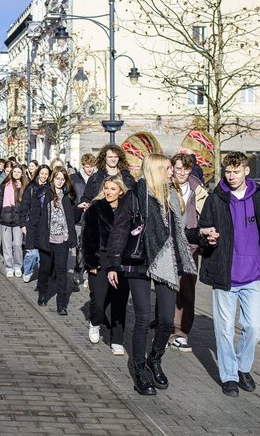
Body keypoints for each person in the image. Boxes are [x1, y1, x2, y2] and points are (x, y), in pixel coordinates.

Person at [105, 154, 196, 396]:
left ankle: (154, 359)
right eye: (167, 169)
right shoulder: (135, 196)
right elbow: (119, 230)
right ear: (156, 170)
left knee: (166, 320)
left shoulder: (172, 197)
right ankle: (139, 371)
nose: (171, 173)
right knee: (143, 319)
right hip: (139, 262)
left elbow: (180, 233)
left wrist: (202, 235)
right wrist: (113, 265)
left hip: (166, 262)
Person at [196, 151, 260, 397]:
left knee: (254, 327)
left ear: (246, 171)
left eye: (236, 171)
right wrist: (207, 236)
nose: (231, 176)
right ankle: (229, 376)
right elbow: (203, 228)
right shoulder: (216, 198)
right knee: (224, 329)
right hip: (225, 275)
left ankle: (243, 367)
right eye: (228, 172)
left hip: (252, 274)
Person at [83, 175, 130, 355]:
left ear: (120, 191)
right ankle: (95, 322)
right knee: (99, 299)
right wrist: (91, 262)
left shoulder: (128, 209)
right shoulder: (96, 208)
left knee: (119, 300)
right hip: (100, 259)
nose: (108, 192)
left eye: (113, 189)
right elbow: (88, 237)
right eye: (106, 188)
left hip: (121, 260)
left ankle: (117, 339)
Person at [168, 152, 208, 353]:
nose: (181, 172)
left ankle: (180, 332)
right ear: (172, 168)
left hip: (190, 247)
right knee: (167, 289)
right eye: (178, 168)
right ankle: (165, 326)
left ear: (190, 169)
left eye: (185, 168)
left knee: (187, 290)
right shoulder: (165, 187)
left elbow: (206, 214)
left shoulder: (198, 189)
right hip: (167, 246)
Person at [25, 168, 78, 315]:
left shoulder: (68, 196)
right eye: (57, 178)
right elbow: (35, 217)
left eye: (63, 179)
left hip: (63, 239)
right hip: (46, 238)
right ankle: (42, 292)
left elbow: (72, 218)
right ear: (52, 179)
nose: (60, 182)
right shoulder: (43, 193)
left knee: (61, 271)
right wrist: (31, 239)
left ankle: (62, 305)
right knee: (45, 269)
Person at [0, 163, 28, 277]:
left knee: (17, 244)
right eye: (15, 171)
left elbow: (27, 204)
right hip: (5, 218)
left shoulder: (25, 187)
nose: (16, 174)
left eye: (19, 172)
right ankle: (9, 266)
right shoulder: (4, 185)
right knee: (6, 245)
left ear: (22, 174)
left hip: (18, 220)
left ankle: (17, 265)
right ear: (12, 173)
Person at [79, 145, 137, 210]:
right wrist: (86, 204)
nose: (113, 159)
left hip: (124, 216)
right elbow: (86, 197)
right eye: (110, 157)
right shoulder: (94, 178)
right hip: (100, 216)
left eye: (116, 157)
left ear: (119, 158)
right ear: (104, 158)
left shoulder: (127, 178)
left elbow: (135, 198)